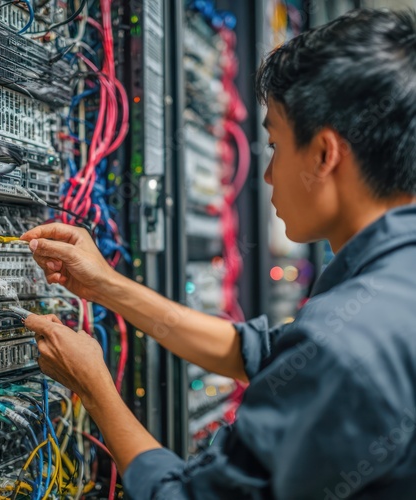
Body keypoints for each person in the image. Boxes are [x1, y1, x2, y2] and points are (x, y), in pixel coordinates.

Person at [22, 9, 416, 499]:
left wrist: (96, 389)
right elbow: (259, 353)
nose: (268, 176)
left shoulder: (349, 342)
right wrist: (106, 286)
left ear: (323, 154)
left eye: (274, 145)